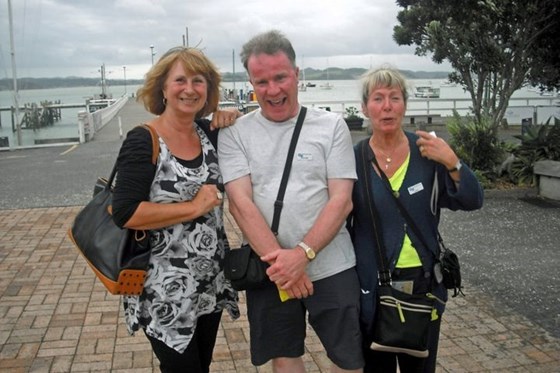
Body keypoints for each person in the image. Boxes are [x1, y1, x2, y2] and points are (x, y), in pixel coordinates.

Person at [218, 30, 364, 373]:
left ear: (297, 74)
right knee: (284, 357)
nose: (273, 90)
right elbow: (240, 205)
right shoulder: (236, 133)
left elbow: (341, 201)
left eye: (281, 77)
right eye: (262, 81)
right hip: (270, 270)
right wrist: (284, 268)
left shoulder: (331, 126)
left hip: (332, 264)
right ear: (251, 83)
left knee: (348, 359)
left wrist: (302, 255)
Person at [111, 47, 240, 373]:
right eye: (180, 80)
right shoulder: (144, 139)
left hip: (208, 281)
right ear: (163, 89)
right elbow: (125, 212)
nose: (190, 89)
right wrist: (192, 207)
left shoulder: (208, 132)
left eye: (199, 81)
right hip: (163, 288)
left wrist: (231, 114)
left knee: (202, 366)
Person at [348, 66, 484, 373]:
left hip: (424, 288)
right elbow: (341, 222)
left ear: (404, 105)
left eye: (394, 98)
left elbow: (472, 200)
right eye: (378, 98)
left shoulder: (427, 152)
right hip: (373, 290)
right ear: (365, 108)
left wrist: (453, 162)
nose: (387, 106)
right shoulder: (353, 158)